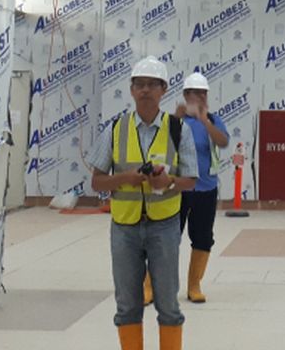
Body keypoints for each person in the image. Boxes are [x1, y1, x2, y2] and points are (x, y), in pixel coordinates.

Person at [87, 55, 199, 350]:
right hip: (124, 228)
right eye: (140, 84)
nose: (146, 90)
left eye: (152, 84)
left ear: (163, 89)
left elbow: (191, 180)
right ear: (132, 89)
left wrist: (169, 182)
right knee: (127, 306)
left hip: (164, 227)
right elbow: (97, 181)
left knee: (169, 307)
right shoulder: (115, 129)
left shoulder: (178, 129)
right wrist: (126, 177)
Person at [174, 71, 230, 303]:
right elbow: (165, 144)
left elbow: (223, 141)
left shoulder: (214, 120)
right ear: (186, 95)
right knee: (166, 238)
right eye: (196, 93)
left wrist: (205, 120)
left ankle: (194, 285)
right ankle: (153, 285)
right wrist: (176, 120)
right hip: (177, 189)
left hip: (206, 189)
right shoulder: (175, 120)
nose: (201, 97)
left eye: (204, 93)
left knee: (203, 238)